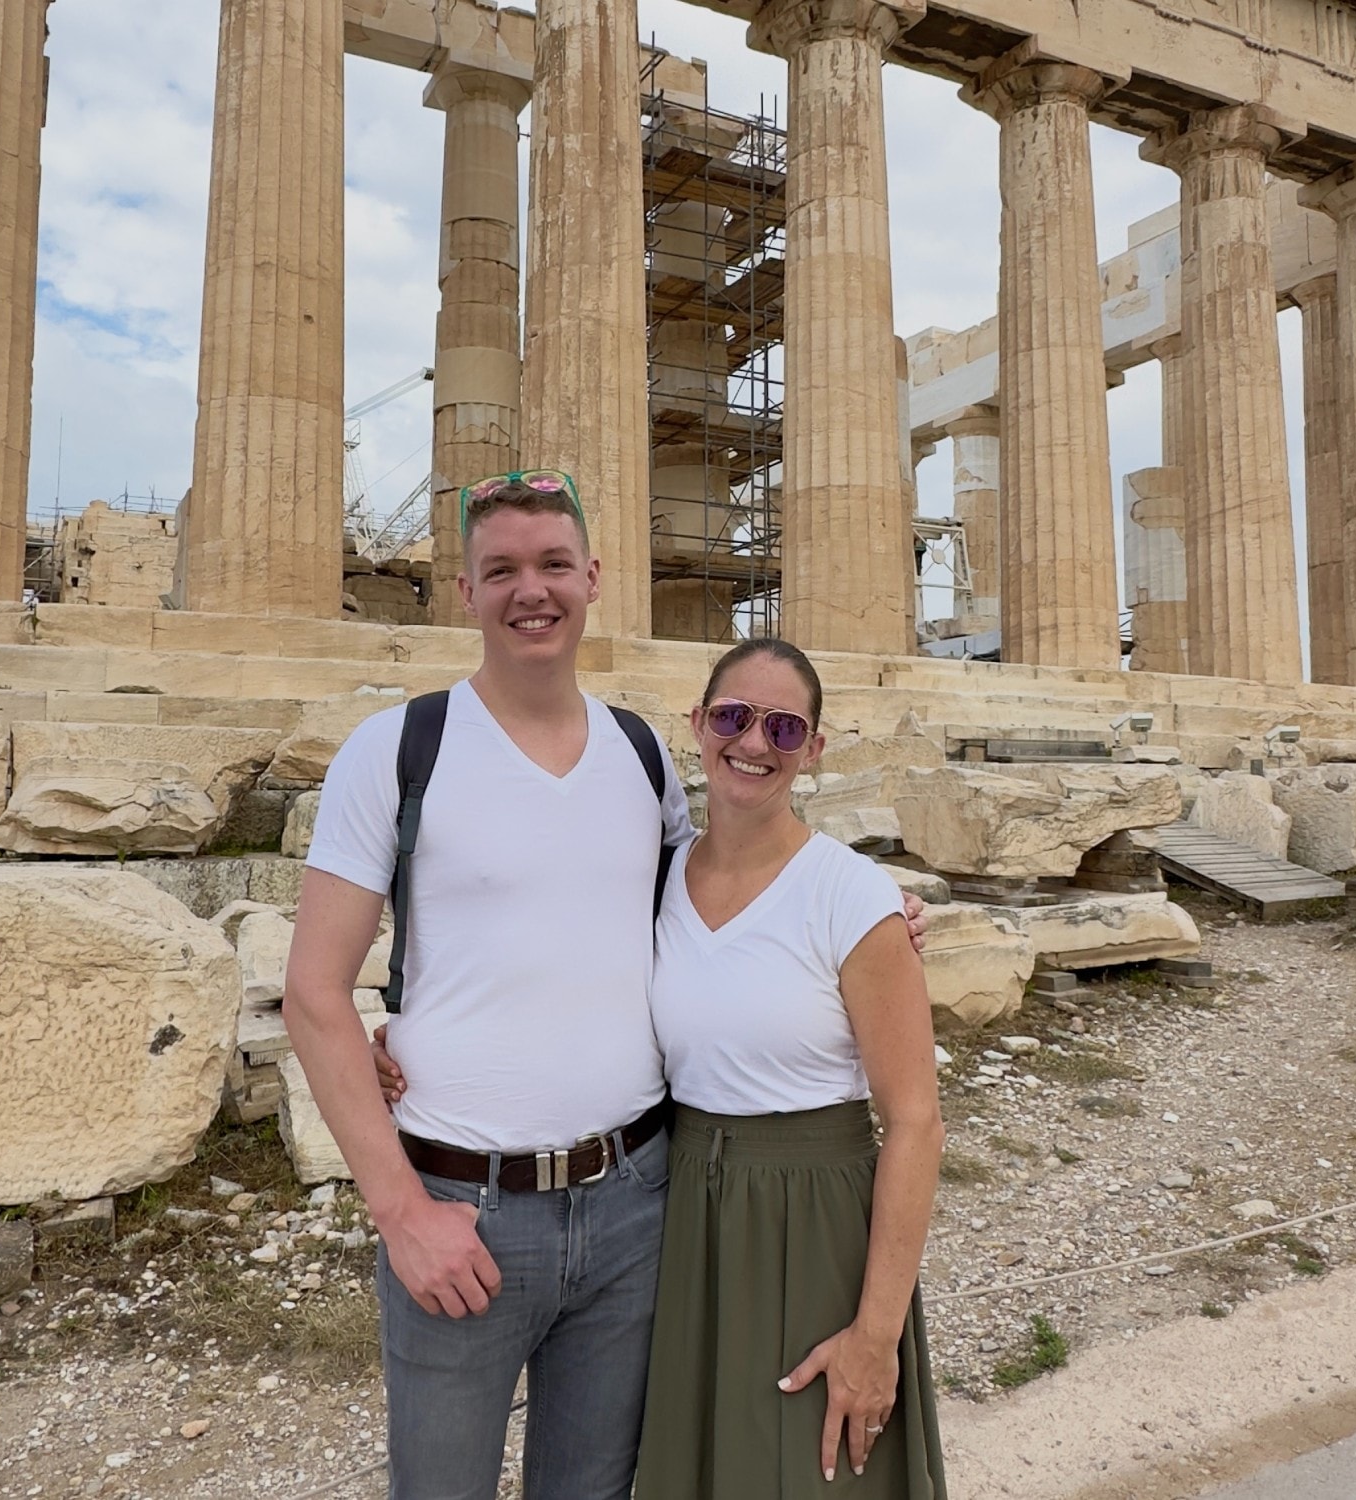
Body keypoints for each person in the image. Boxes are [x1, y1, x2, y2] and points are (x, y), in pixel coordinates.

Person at [286, 469, 929, 1500]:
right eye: (500, 569)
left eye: (550, 564)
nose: (528, 590)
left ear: (592, 577)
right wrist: (401, 1212)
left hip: (635, 1209)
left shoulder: (640, 758)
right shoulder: (396, 750)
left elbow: (727, 879)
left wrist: (865, 909)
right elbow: (313, 993)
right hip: (462, 1207)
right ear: (464, 589)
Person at [632, 638, 948, 1497]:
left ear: (814, 748)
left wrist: (876, 1337)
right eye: (733, 717)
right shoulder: (652, 879)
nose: (754, 742)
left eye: (783, 726)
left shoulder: (851, 896)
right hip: (687, 1214)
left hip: (813, 1221)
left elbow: (916, 1120)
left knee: (812, 1471)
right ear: (697, 726)